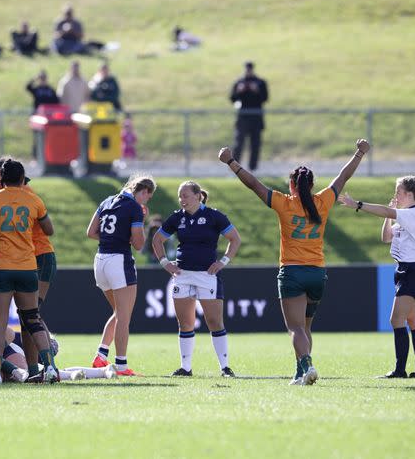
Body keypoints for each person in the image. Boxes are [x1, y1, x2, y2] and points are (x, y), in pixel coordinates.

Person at [218, 138, 370, 385]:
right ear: (311, 185)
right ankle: (300, 372)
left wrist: (232, 163)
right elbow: (343, 177)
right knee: (305, 327)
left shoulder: (284, 202)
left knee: (295, 328)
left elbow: (254, 185)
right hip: (318, 273)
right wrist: (359, 153)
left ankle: (307, 365)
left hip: (292, 272)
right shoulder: (322, 201)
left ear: (292, 184)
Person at [0, 158, 61, 384]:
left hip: (1, 266)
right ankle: (49, 367)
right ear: (23, 178)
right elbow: (49, 229)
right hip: (27, 266)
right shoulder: (33, 199)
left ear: (2, 178)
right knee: (32, 318)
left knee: (1, 321)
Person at [339, 175, 415, 379]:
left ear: (409, 194)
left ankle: (400, 370)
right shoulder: (406, 215)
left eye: (398, 192)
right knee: (414, 320)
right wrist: (389, 217)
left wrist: (358, 204)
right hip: (408, 271)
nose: (396, 196)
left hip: (412, 271)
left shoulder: (414, 213)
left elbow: (386, 210)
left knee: (396, 319)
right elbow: (386, 237)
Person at [152, 181, 242, 377]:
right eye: (180, 196)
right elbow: (157, 240)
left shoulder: (213, 216)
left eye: (185, 195)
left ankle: (225, 367)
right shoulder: (177, 218)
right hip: (182, 275)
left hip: (207, 275)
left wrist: (223, 261)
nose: (181, 200)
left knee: (214, 321)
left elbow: (235, 239)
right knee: (185, 324)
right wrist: (165, 263)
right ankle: (186, 368)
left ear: (197, 196)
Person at [87, 174, 156, 375]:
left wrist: (112, 237)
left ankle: (101, 356)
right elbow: (139, 244)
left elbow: (91, 232)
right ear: (143, 192)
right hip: (118, 261)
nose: (146, 201)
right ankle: (121, 365)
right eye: (147, 197)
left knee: (118, 312)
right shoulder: (134, 207)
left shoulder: (107, 201)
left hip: (100, 261)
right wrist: (142, 219)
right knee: (124, 317)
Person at [229, 61, 269, 171]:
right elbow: (233, 98)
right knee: (238, 143)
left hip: (256, 117)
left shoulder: (260, 82)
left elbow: (265, 98)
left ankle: (253, 168)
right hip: (243, 117)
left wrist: (256, 90)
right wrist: (239, 91)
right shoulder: (239, 82)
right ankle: (234, 167)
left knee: (255, 144)